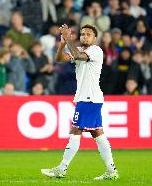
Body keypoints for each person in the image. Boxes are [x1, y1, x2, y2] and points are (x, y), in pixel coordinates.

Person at [41, 24, 119, 180]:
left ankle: (62, 169)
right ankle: (111, 171)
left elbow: (76, 56)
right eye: (82, 34)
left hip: (88, 98)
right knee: (98, 134)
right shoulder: (79, 50)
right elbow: (59, 59)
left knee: (75, 131)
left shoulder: (96, 51)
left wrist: (69, 38)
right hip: (90, 98)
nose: (84, 36)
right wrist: (63, 44)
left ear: (94, 38)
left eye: (88, 34)